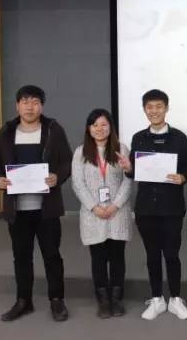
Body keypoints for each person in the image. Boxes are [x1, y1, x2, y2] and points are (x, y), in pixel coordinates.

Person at [0, 85, 72, 322]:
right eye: (25, 102)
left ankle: (57, 300)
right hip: (17, 210)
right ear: (17, 106)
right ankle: (23, 301)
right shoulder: (6, 132)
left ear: (41, 106)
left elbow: (66, 161)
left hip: (47, 208)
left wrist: (57, 176)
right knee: (21, 257)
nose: (30, 107)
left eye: (35, 102)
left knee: (52, 255)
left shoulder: (53, 129)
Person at [116, 89, 187, 321]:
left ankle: (176, 299)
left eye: (159, 106)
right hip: (146, 207)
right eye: (149, 107)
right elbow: (135, 173)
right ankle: (157, 298)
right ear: (144, 110)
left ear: (166, 108)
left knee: (172, 254)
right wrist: (128, 169)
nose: (154, 111)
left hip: (172, 206)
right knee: (151, 254)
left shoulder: (179, 138)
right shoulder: (139, 138)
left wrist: (183, 177)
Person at [71, 109, 133, 319]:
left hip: (118, 213)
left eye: (104, 124)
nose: (99, 129)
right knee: (98, 258)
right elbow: (78, 183)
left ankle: (116, 299)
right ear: (88, 128)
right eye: (95, 125)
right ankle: (103, 300)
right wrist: (94, 207)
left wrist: (115, 205)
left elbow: (128, 180)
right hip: (92, 215)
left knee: (117, 258)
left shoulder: (121, 148)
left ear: (111, 127)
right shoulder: (80, 152)